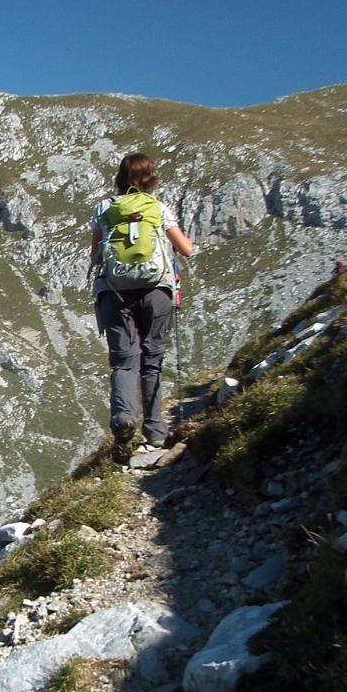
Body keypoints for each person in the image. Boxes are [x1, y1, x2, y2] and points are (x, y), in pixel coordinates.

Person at [89, 152, 196, 464]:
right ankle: (156, 430)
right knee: (152, 359)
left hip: (114, 291)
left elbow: (96, 255)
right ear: (151, 178)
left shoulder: (105, 208)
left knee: (124, 362)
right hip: (157, 290)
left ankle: (124, 417)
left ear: (120, 177)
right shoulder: (158, 208)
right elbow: (186, 249)